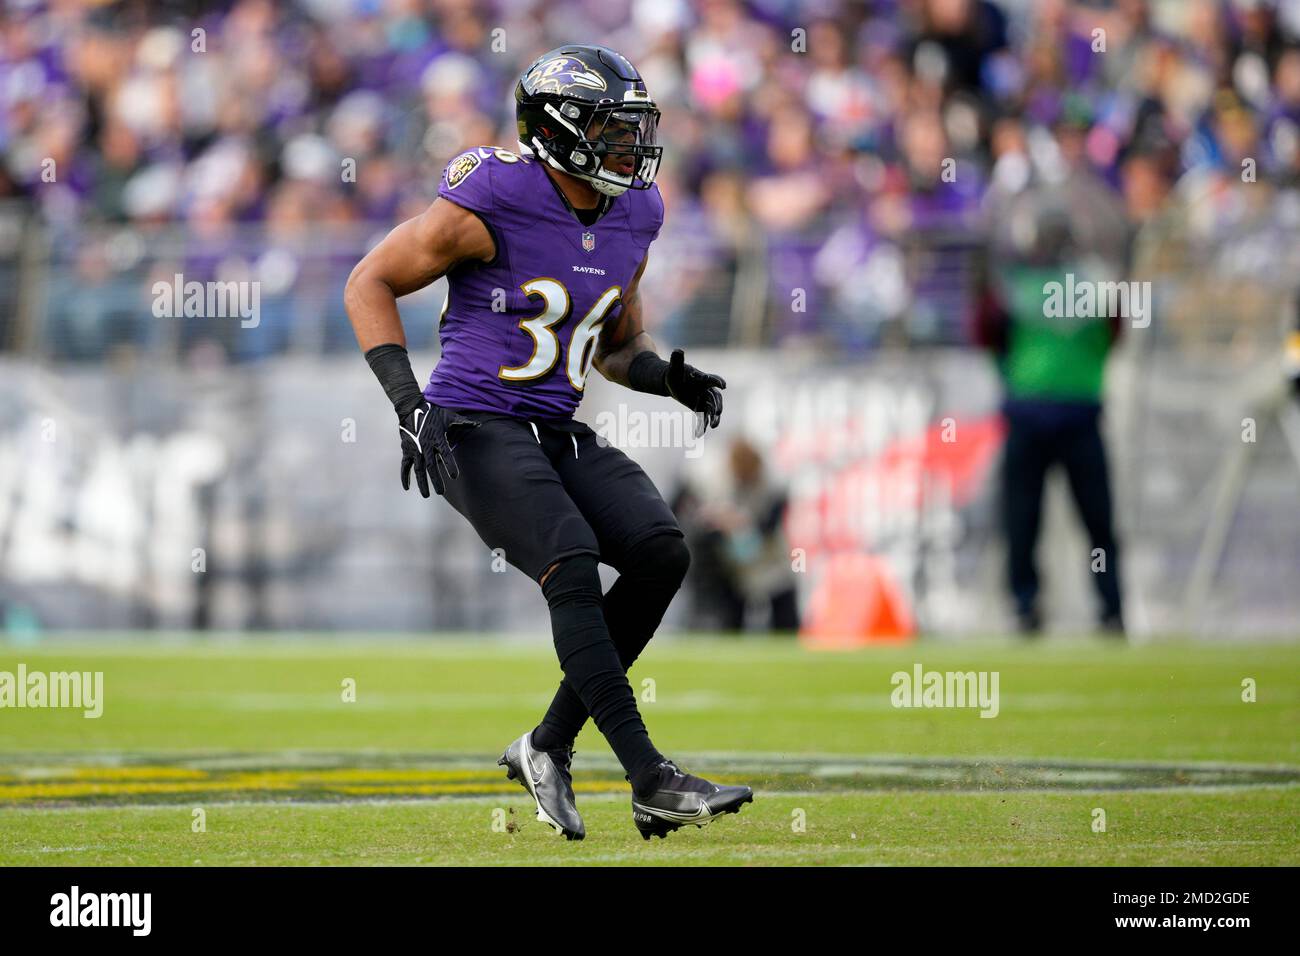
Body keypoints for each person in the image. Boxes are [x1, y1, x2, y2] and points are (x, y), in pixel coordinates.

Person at [343, 45, 752, 841]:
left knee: (662, 550)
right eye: (611, 128)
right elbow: (369, 281)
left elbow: (613, 343)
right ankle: (650, 777)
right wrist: (406, 404)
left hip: (556, 426)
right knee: (567, 554)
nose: (630, 146)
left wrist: (668, 378)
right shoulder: (493, 193)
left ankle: (547, 745)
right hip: (470, 423)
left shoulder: (636, 212)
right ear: (560, 130)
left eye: (634, 129)